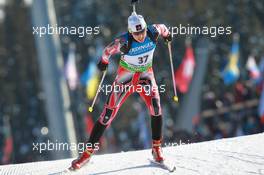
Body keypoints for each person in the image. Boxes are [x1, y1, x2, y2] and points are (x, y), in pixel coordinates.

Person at [71, 11, 172, 170]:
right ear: (131, 32)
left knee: (156, 108)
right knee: (106, 116)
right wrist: (103, 63)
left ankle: (157, 149)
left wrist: (167, 36)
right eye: (136, 33)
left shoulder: (153, 32)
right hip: (125, 80)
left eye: (142, 31)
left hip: (145, 76)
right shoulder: (124, 41)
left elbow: (164, 28)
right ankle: (86, 154)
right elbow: (107, 51)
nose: (140, 36)